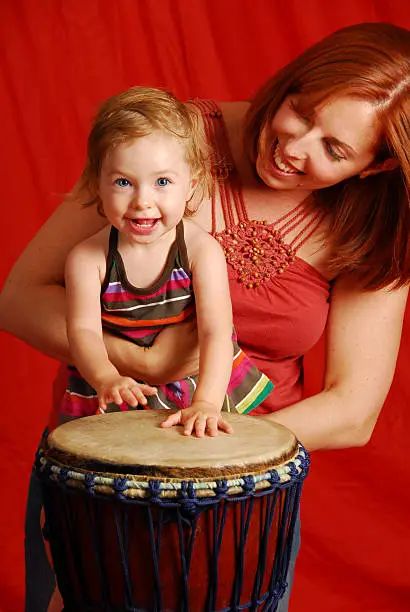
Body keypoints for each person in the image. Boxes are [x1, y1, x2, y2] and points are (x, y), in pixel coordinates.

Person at [1, 21, 409, 612]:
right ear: (289, 82)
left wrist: (209, 446)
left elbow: (353, 412)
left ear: (374, 168)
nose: (296, 146)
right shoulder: (176, 138)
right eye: (301, 110)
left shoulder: (372, 226)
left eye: (335, 149)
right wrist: (143, 362)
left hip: (240, 488)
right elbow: (19, 297)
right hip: (103, 462)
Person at [61, 85, 272, 436]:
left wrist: (206, 402)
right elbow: (83, 331)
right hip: (118, 382)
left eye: (162, 182)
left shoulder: (201, 250)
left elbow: (216, 331)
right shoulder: (88, 259)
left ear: (191, 185)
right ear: (97, 185)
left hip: (195, 384)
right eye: (123, 182)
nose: (143, 201)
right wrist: (105, 377)